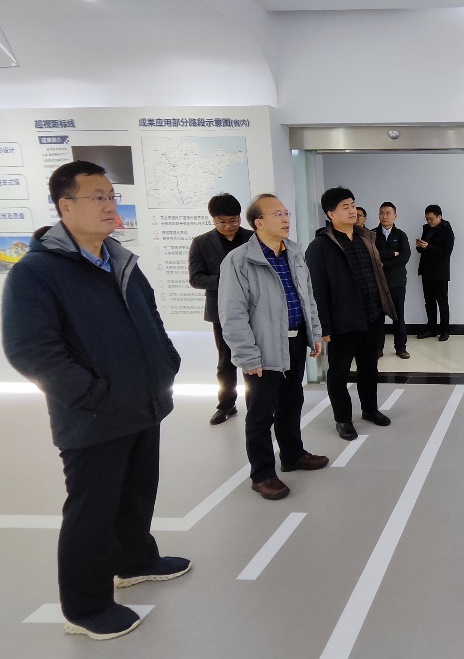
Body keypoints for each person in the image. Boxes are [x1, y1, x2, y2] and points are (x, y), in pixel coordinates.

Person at [2, 161, 190, 640]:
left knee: (137, 492)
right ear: (65, 206)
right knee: (92, 511)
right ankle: (85, 608)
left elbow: (151, 317)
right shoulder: (36, 273)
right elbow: (30, 350)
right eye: (98, 197)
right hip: (92, 417)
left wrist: (165, 364)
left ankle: (135, 559)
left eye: (111, 196)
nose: (110, 205)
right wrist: (92, 395)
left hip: (143, 404)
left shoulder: (119, 260)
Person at [219, 194, 328, 500]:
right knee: (260, 413)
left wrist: (314, 333)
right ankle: (262, 474)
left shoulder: (293, 252)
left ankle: (292, 455)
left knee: (292, 402)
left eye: (286, 213)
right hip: (263, 350)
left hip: (295, 341)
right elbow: (232, 313)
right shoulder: (239, 260)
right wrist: (247, 355)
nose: (285, 219)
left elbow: (307, 297)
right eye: (277, 214)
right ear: (258, 222)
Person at [306, 188, 395, 441]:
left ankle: (369, 410)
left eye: (353, 205)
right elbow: (317, 289)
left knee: (369, 368)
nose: (352, 210)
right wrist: (324, 327)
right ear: (330, 214)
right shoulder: (320, 247)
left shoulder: (365, 238)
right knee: (339, 373)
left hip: (372, 316)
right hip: (342, 322)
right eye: (345, 207)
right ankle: (343, 419)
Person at [188, 194, 253, 425]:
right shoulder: (201, 242)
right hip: (221, 311)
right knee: (225, 362)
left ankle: (255, 404)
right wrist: (228, 280)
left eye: (233, 221)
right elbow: (196, 279)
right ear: (213, 219)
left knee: (253, 359)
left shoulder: (253, 238)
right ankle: (226, 405)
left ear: (239, 217)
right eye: (221, 222)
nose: (228, 226)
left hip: (253, 309)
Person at [374, 201, 411, 359]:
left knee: (398, 316)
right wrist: (391, 254)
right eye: (382, 213)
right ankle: (378, 348)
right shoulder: (372, 234)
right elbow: (373, 255)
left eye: (388, 213)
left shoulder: (401, 235)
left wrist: (384, 263)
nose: (385, 216)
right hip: (377, 282)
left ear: (395, 216)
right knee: (377, 318)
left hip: (397, 282)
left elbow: (405, 256)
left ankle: (401, 347)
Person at [416, 204, 454, 341]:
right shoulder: (426, 229)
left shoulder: (447, 230)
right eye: (427, 219)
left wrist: (428, 247)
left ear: (439, 217)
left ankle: (445, 330)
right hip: (426, 271)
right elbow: (422, 250)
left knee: (442, 303)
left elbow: (446, 251)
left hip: (440, 272)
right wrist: (420, 246)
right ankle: (431, 329)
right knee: (429, 302)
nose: (429, 221)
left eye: (431, 219)